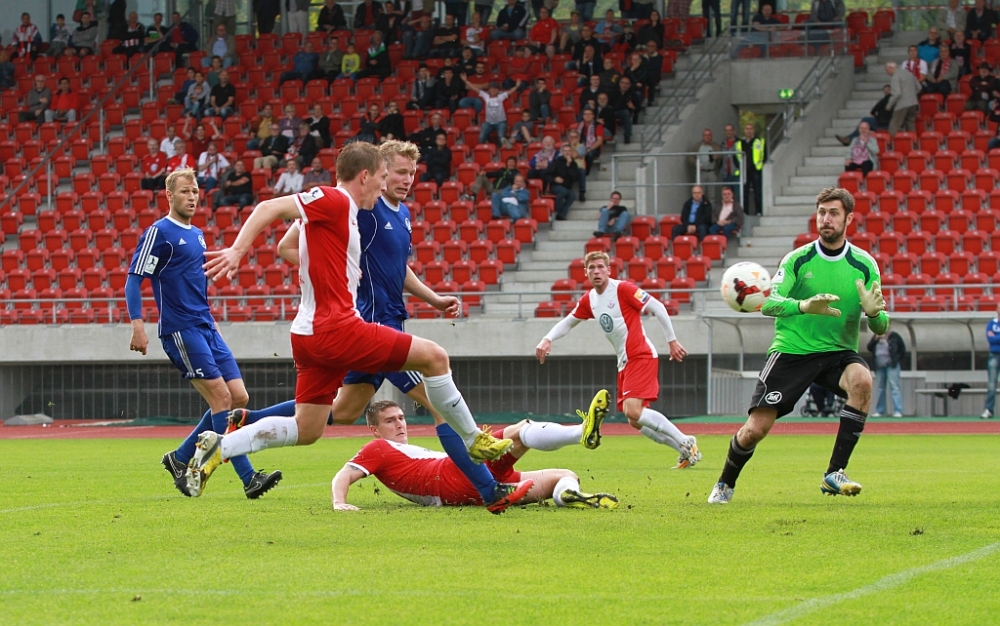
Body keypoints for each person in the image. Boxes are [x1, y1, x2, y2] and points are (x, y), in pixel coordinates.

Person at [185, 142, 514, 497]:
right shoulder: (336, 200)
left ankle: (222, 445)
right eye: (386, 176)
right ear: (366, 176)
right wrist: (237, 250)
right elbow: (269, 207)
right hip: (339, 328)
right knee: (435, 358)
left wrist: (336, 269)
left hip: (308, 334)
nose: (388, 184)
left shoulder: (354, 213)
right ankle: (475, 442)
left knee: (309, 428)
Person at [707, 187, 888, 504]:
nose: (826, 219)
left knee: (862, 381)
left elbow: (881, 326)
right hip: (793, 350)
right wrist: (804, 306)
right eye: (822, 212)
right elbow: (768, 303)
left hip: (837, 352)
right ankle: (725, 483)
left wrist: (875, 314)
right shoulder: (797, 259)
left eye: (833, 213)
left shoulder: (864, 265)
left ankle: (835, 473)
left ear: (848, 219)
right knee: (755, 430)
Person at [127, 168, 284, 500]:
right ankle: (249, 478)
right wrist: (137, 325)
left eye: (195, 191)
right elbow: (134, 279)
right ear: (169, 195)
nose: (192, 197)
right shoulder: (159, 233)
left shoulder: (198, 235)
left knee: (239, 398)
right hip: (181, 329)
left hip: (207, 325)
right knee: (222, 400)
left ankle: (180, 457)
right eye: (185, 191)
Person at [535, 252, 700, 468]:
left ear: (609, 270)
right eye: (592, 268)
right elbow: (568, 322)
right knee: (634, 420)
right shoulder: (590, 299)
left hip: (640, 355)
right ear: (586, 273)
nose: (596, 271)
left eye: (600, 267)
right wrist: (547, 338)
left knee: (633, 411)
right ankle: (684, 451)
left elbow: (658, 307)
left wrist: (672, 340)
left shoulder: (623, 289)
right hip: (624, 362)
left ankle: (685, 440)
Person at [332, 400, 619, 511]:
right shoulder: (377, 448)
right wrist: (339, 503)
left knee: (565, 476)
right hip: (454, 474)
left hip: (470, 490)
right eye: (390, 420)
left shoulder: (407, 451)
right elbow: (343, 475)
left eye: (401, 417)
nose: (399, 424)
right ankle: (580, 432)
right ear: (374, 430)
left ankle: (567, 496)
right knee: (521, 429)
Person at [464, 78, 521, 146]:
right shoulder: (486, 96)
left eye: (495, 89)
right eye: (491, 88)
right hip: (488, 122)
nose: (493, 90)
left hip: (501, 122)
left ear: (498, 90)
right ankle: (485, 148)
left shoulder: (501, 97)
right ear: (489, 90)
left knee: (501, 137)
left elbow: (510, 91)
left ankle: (502, 149)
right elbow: (475, 89)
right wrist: (466, 81)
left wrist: (517, 86)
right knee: (481, 137)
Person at [867, 326, 905, 418]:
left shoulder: (895, 336)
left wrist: (896, 359)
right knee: (880, 388)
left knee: (895, 387)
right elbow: (869, 347)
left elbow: (902, 349)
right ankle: (879, 411)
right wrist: (875, 339)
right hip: (879, 366)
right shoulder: (876, 336)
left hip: (892, 365)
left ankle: (898, 410)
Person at [548, 144, 581, 220]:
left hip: (567, 186)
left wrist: (568, 165)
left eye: (569, 151)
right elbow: (547, 175)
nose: (567, 153)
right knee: (562, 191)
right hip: (556, 186)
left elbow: (574, 177)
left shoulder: (574, 164)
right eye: (565, 151)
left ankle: (561, 215)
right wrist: (555, 179)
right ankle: (557, 211)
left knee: (572, 196)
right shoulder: (556, 162)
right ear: (562, 152)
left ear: (571, 152)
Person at [886, 61, 920, 136]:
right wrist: (911, 95)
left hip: (902, 105)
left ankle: (892, 141)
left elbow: (897, 93)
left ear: (891, 68)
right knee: (910, 125)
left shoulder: (895, 77)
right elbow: (919, 87)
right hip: (913, 103)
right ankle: (913, 141)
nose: (887, 73)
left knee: (894, 125)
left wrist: (889, 105)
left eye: (887, 70)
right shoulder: (909, 74)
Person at [738, 123, 765, 216]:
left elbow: (764, 155)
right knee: (744, 192)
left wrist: (760, 166)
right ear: (744, 130)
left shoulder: (760, 141)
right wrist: (740, 166)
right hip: (744, 171)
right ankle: (745, 212)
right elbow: (735, 157)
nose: (749, 130)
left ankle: (758, 211)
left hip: (756, 170)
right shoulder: (739, 143)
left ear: (753, 130)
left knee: (757, 191)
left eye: (750, 129)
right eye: (747, 129)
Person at [691, 128, 721, 205]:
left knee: (712, 194)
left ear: (712, 136)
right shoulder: (698, 146)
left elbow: (721, 155)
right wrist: (696, 164)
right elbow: (690, 157)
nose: (707, 137)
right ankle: (701, 209)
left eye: (709, 135)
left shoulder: (715, 146)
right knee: (700, 193)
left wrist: (717, 156)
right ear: (703, 136)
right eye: (705, 135)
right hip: (702, 172)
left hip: (712, 172)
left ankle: (711, 210)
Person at [982, 304, 1000, 419]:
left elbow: (994, 338)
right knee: (992, 384)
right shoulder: (991, 324)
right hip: (994, 355)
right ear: (997, 310)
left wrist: (996, 336)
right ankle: (989, 409)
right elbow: (990, 339)